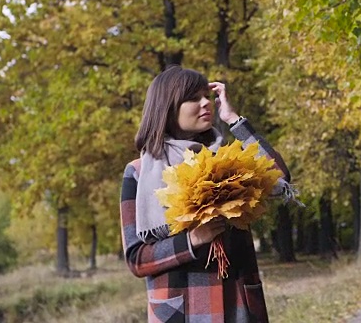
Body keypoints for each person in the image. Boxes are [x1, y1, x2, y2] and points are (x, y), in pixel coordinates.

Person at [119, 65, 292, 323]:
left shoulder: (228, 163)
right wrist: (192, 240)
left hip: (239, 306)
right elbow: (137, 260)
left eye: (206, 96)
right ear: (167, 106)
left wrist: (234, 119)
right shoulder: (139, 173)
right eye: (193, 98)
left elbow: (278, 175)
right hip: (183, 312)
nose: (205, 103)